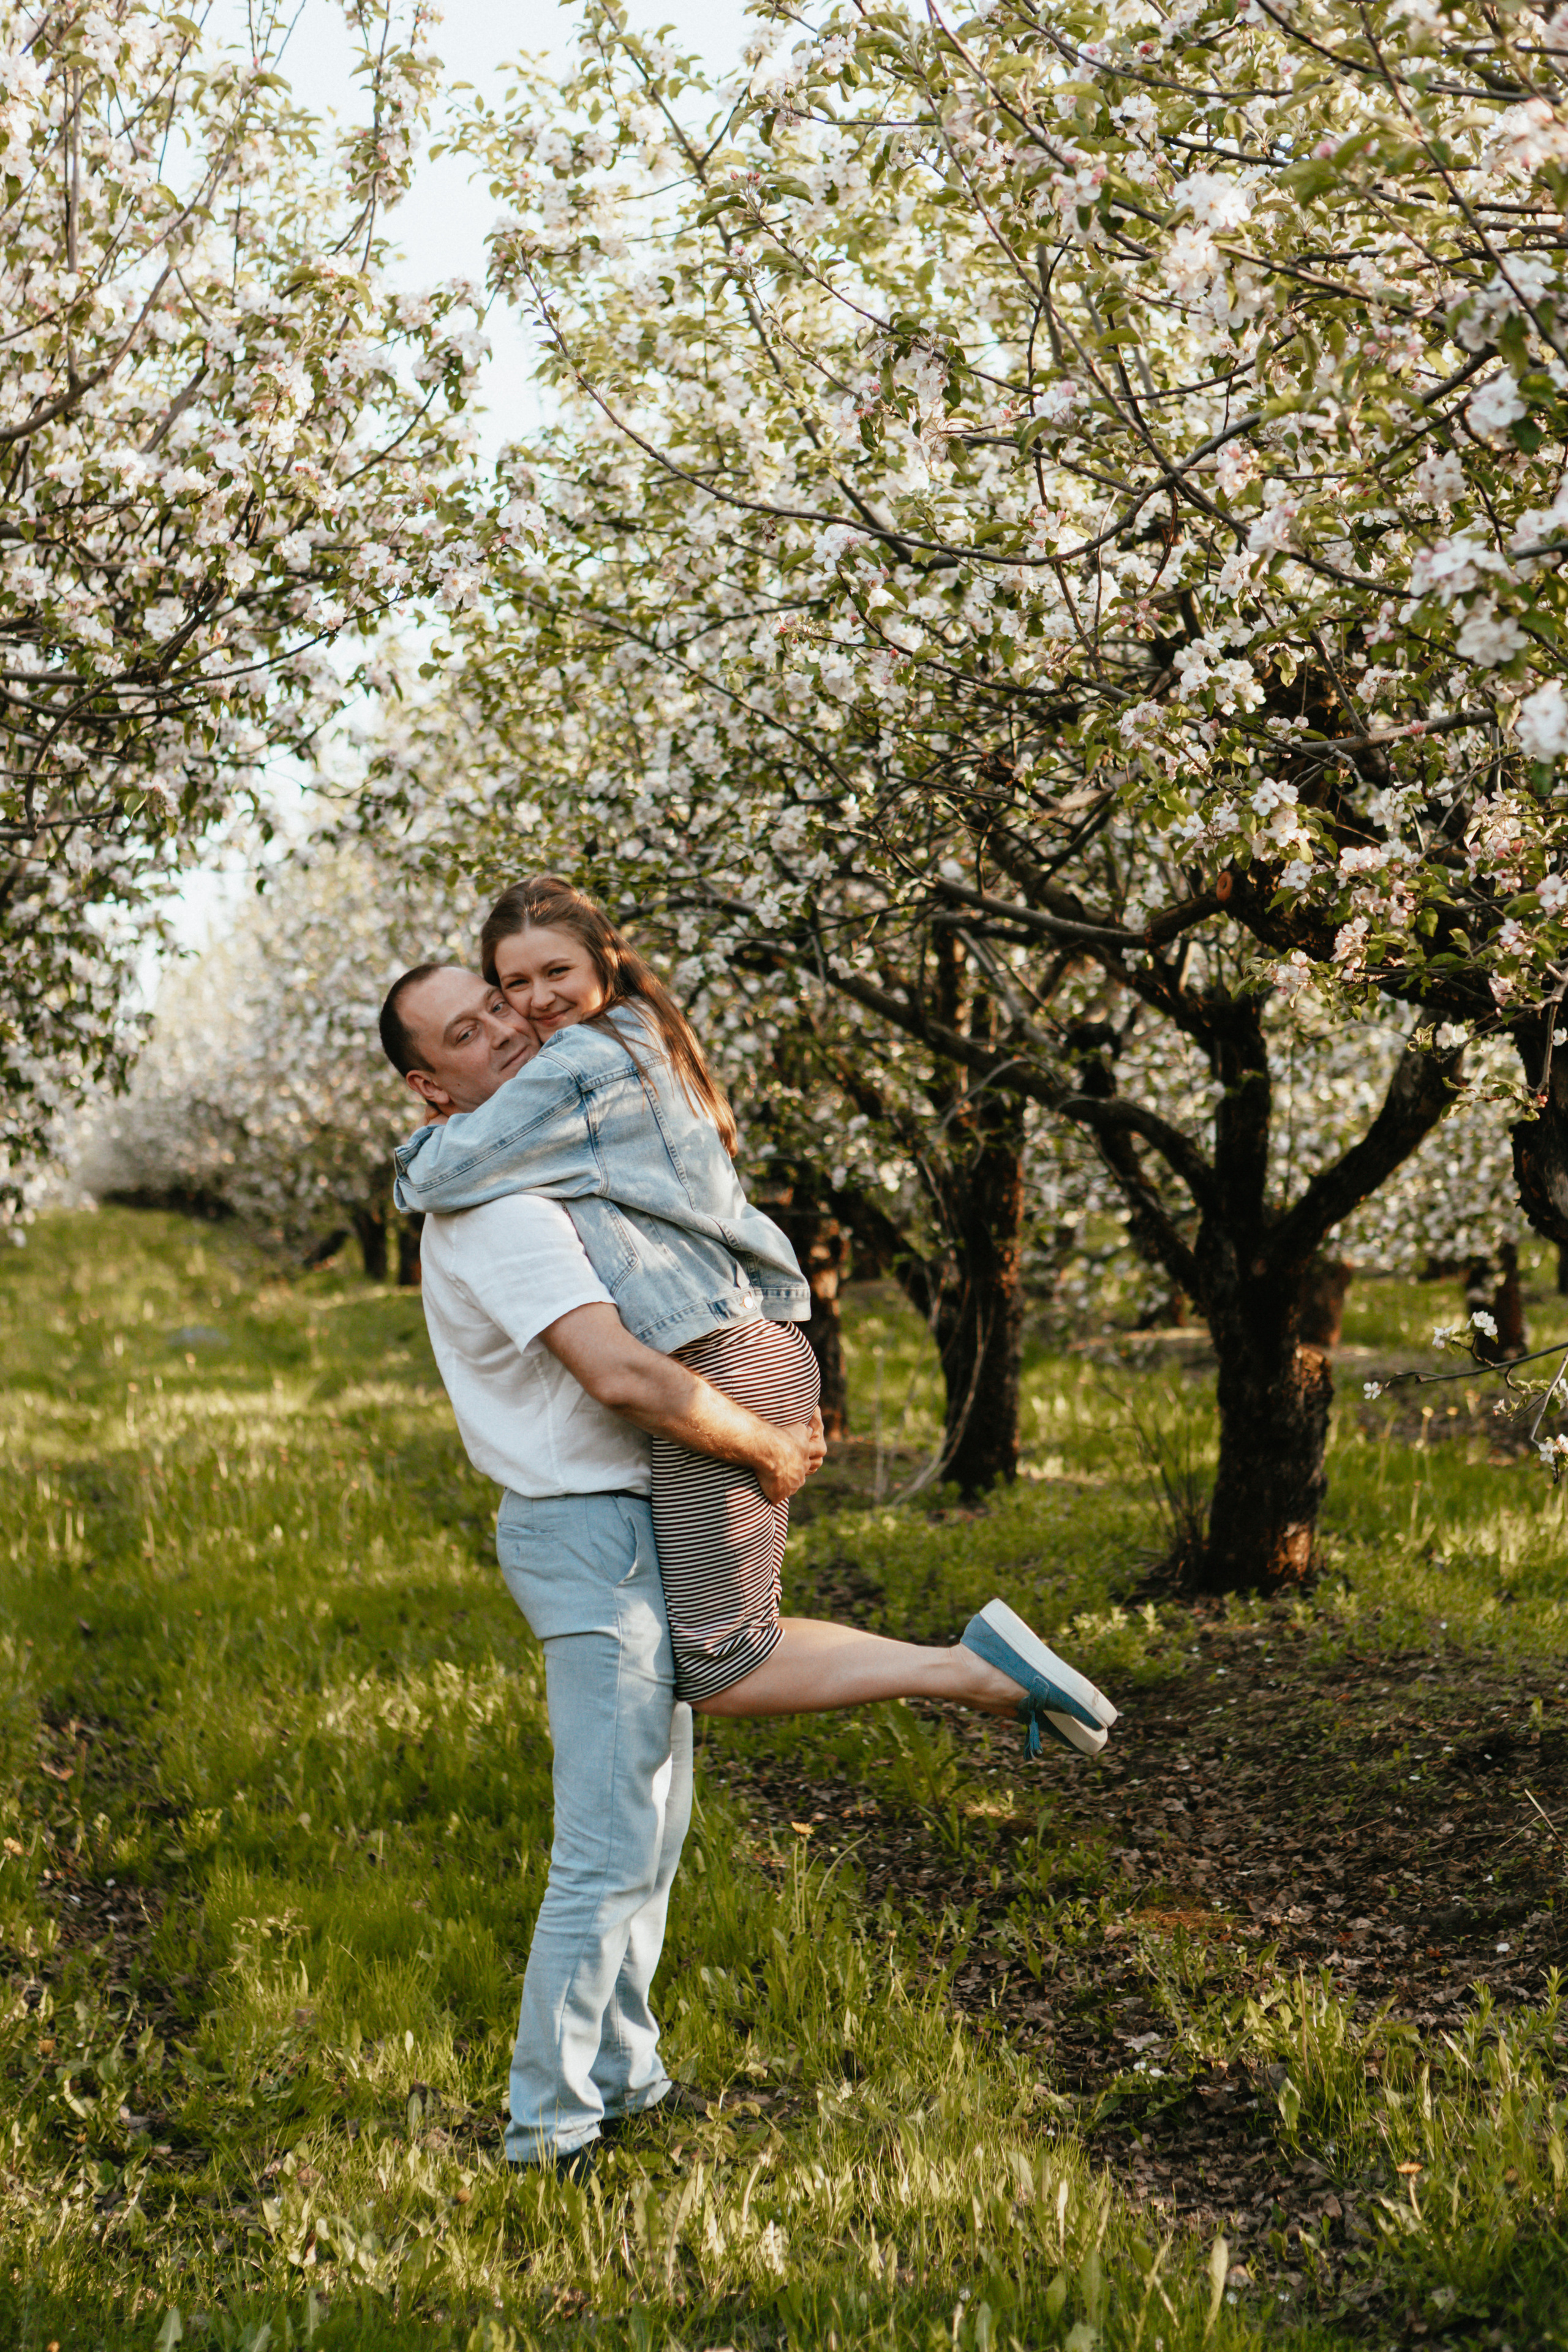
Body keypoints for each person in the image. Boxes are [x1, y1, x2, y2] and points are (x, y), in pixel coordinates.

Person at [386, 875, 1116, 1763]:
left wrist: (424, 1141)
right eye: (512, 989)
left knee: (724, 1662)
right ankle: (973, 1671)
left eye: (555, 973)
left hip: (720, 1357)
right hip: (740, 1345)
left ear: (605, 964)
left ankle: (973, 1672)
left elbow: (436, 1176)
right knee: (727, 1649)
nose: (531, 1007)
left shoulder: (586, 1061)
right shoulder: (626, 1042)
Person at [376, 966, 827, 2177]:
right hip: (587, 1532)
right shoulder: (500, 1206)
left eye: (503, 1007)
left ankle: (625, 2076)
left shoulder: (530, 1163)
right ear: (429, 1084)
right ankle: (548, 2129)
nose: (508, 1032)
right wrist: (767, 1442)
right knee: (605, 1846)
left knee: (651, 1832)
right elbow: (622, 1377)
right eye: (468, 1032)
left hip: (618, 1517)